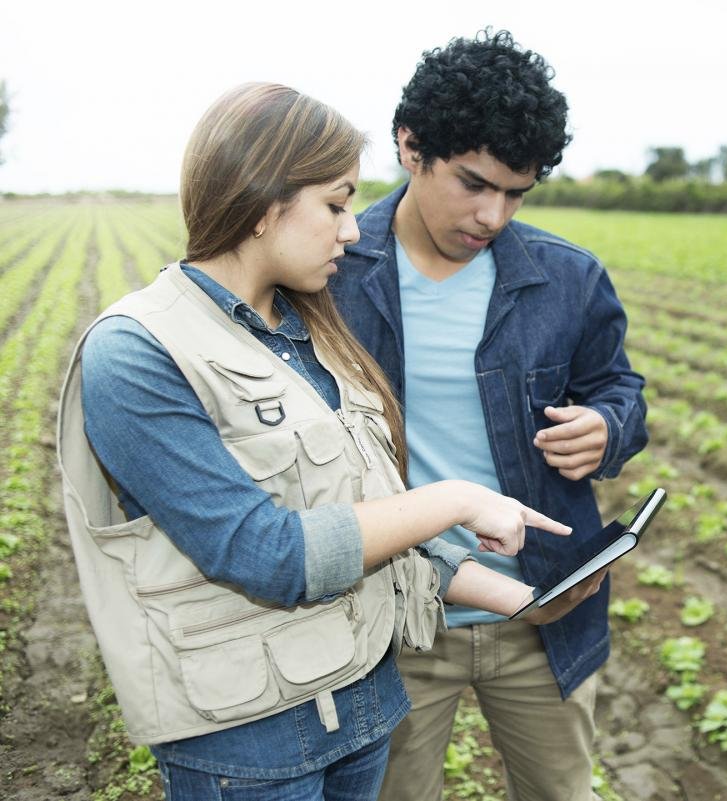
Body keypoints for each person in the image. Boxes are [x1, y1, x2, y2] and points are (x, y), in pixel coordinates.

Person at [56, 82, 600, 801]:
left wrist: (521, 599)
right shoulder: (137, 352)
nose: (352, 230)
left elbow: (370, 527)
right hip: (249, 742)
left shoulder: (308, 329)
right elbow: (266, 553)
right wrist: (454, 498)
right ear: (261, 199)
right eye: (336, 204)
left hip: (361, 712)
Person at [330, 30, 648, 801]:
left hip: (544, 613)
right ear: (411, 147)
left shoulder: (568, 279)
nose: (493, 214)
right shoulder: (333, 272)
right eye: (474, 183)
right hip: (396, 618)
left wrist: (608, 427)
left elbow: (620, 388)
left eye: (516, 192)